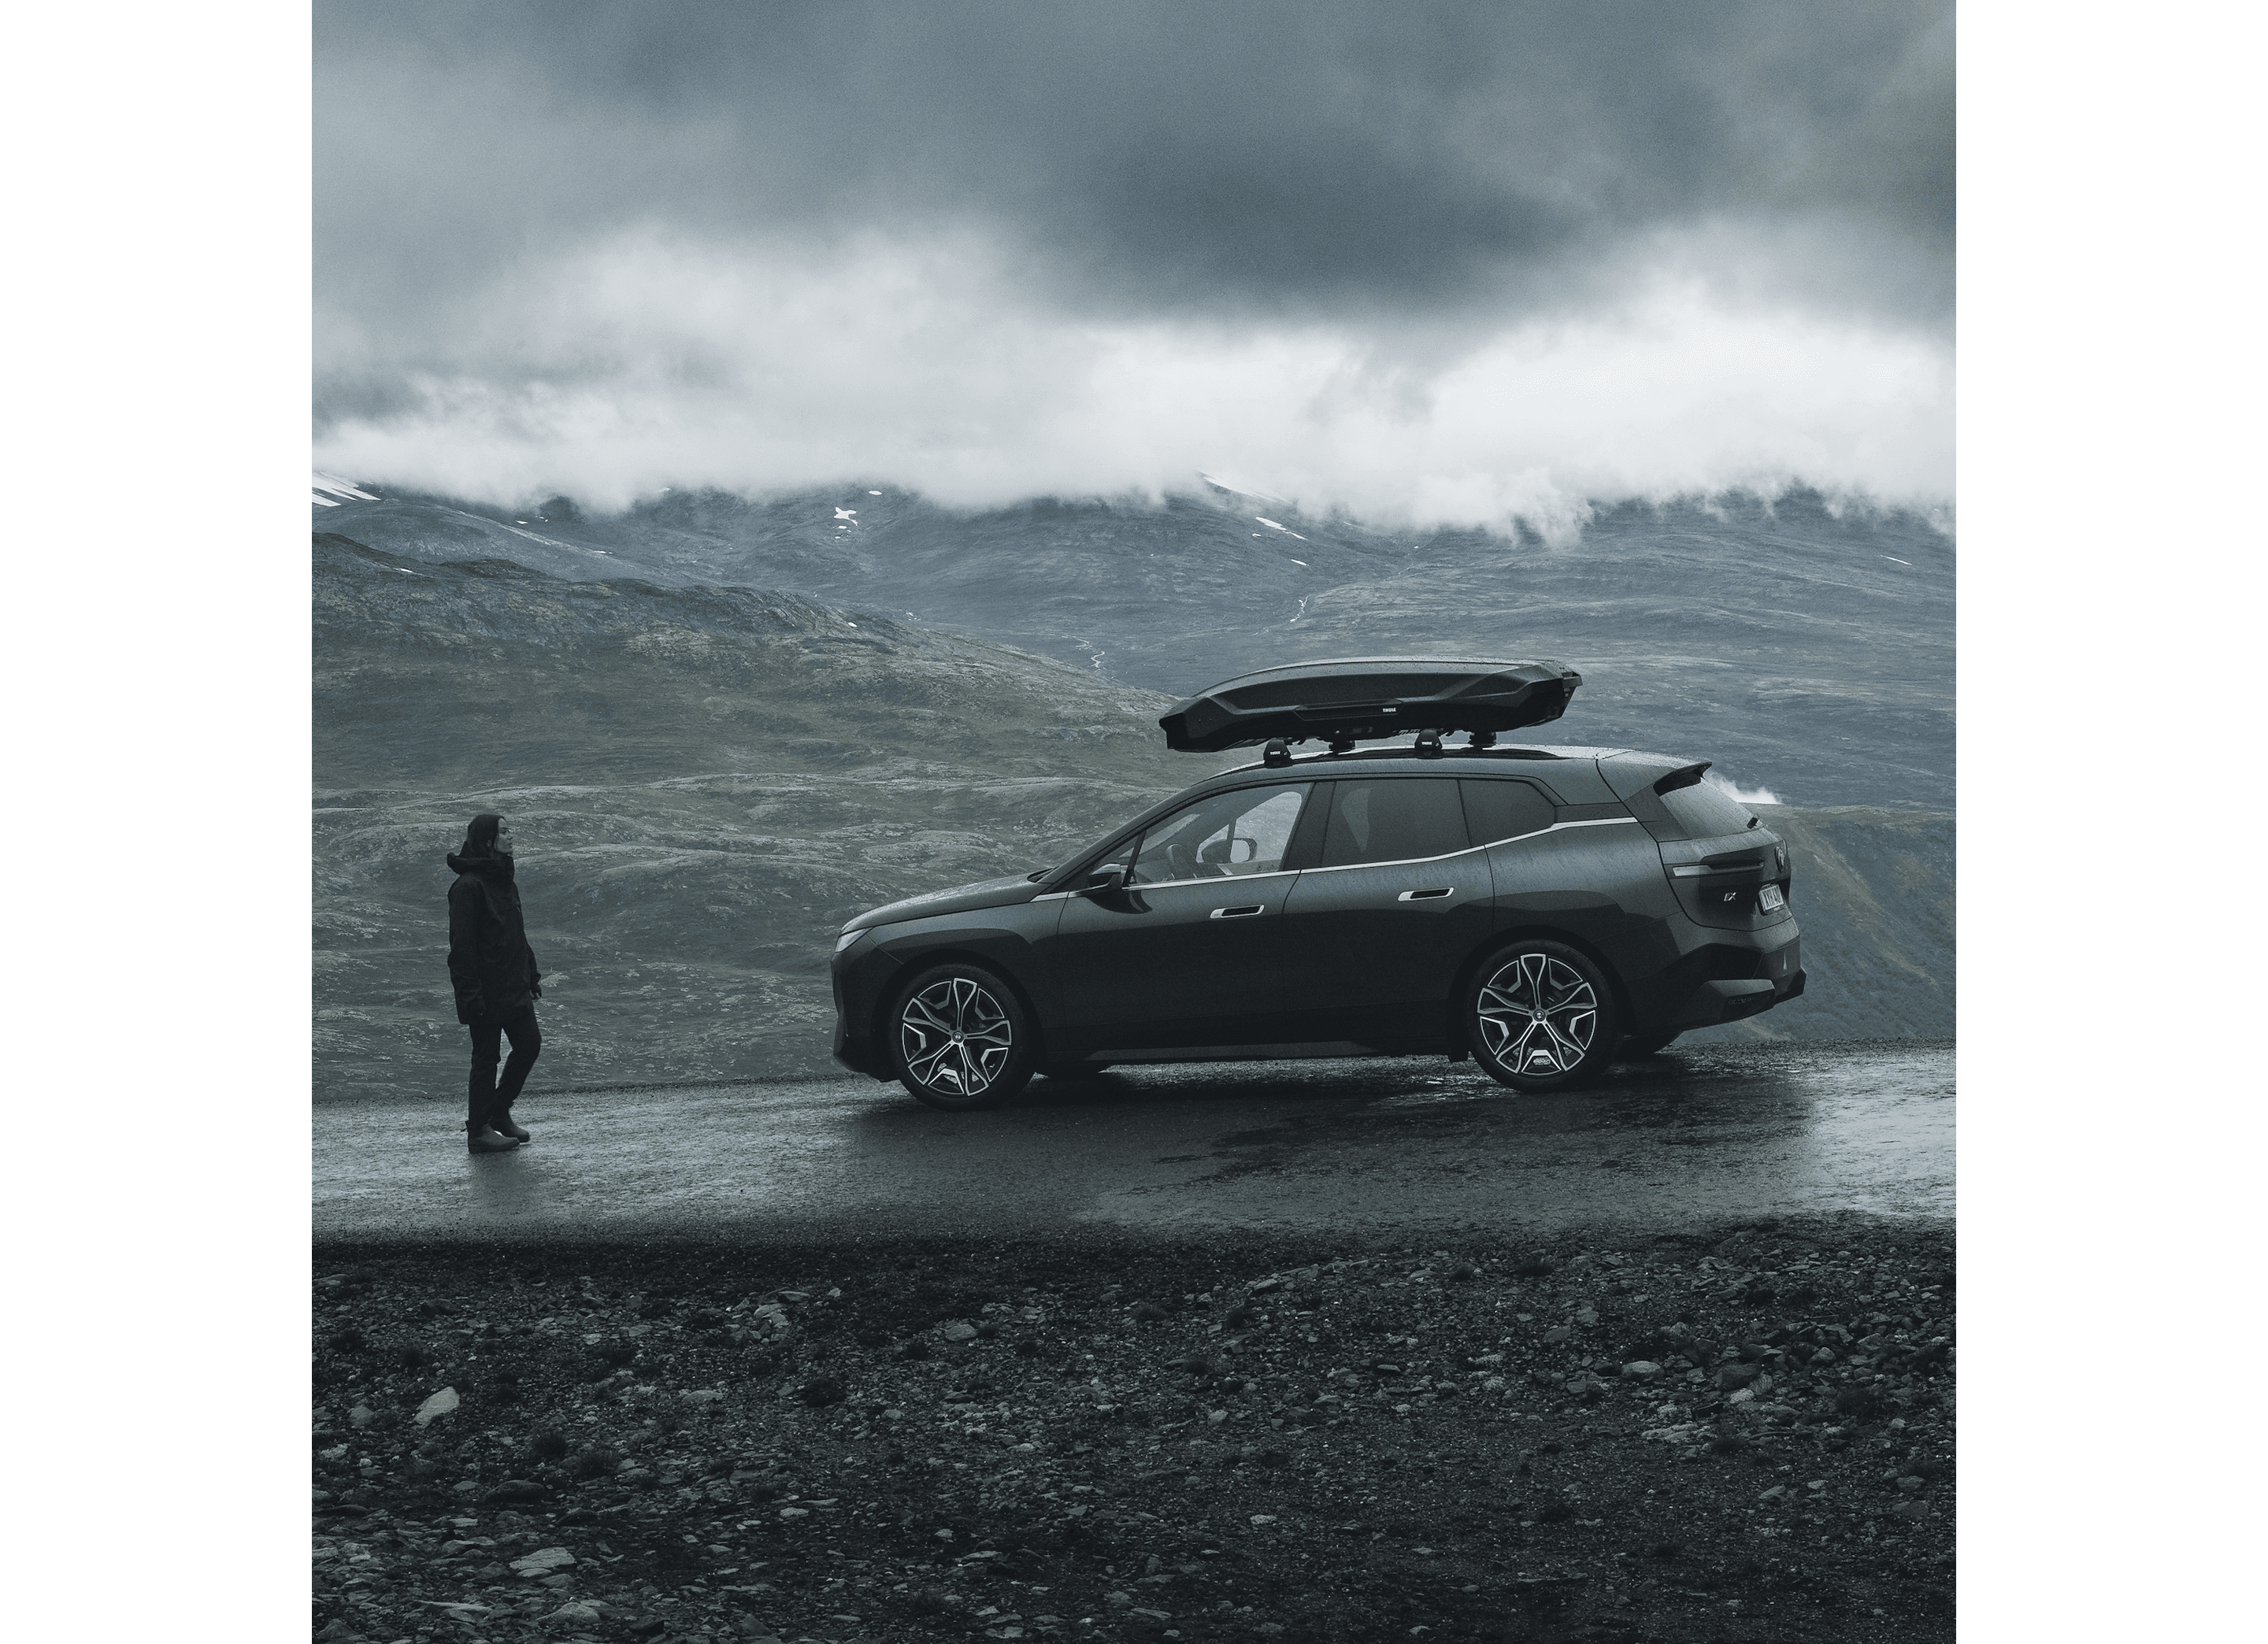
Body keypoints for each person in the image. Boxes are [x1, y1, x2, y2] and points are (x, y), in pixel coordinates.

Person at [447, 813, 543, 1153]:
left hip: (513, 986)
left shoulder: (504, 881)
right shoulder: (468, 888)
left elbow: (515, 933)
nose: (511, 836)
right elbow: (461, 949)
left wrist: (531, 974)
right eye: (503, 832)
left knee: (529, 1045)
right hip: (485, 993)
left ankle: (499, 1112)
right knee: (486, 1059)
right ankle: (478, 1132)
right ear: (488, 840)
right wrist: (470, 996)